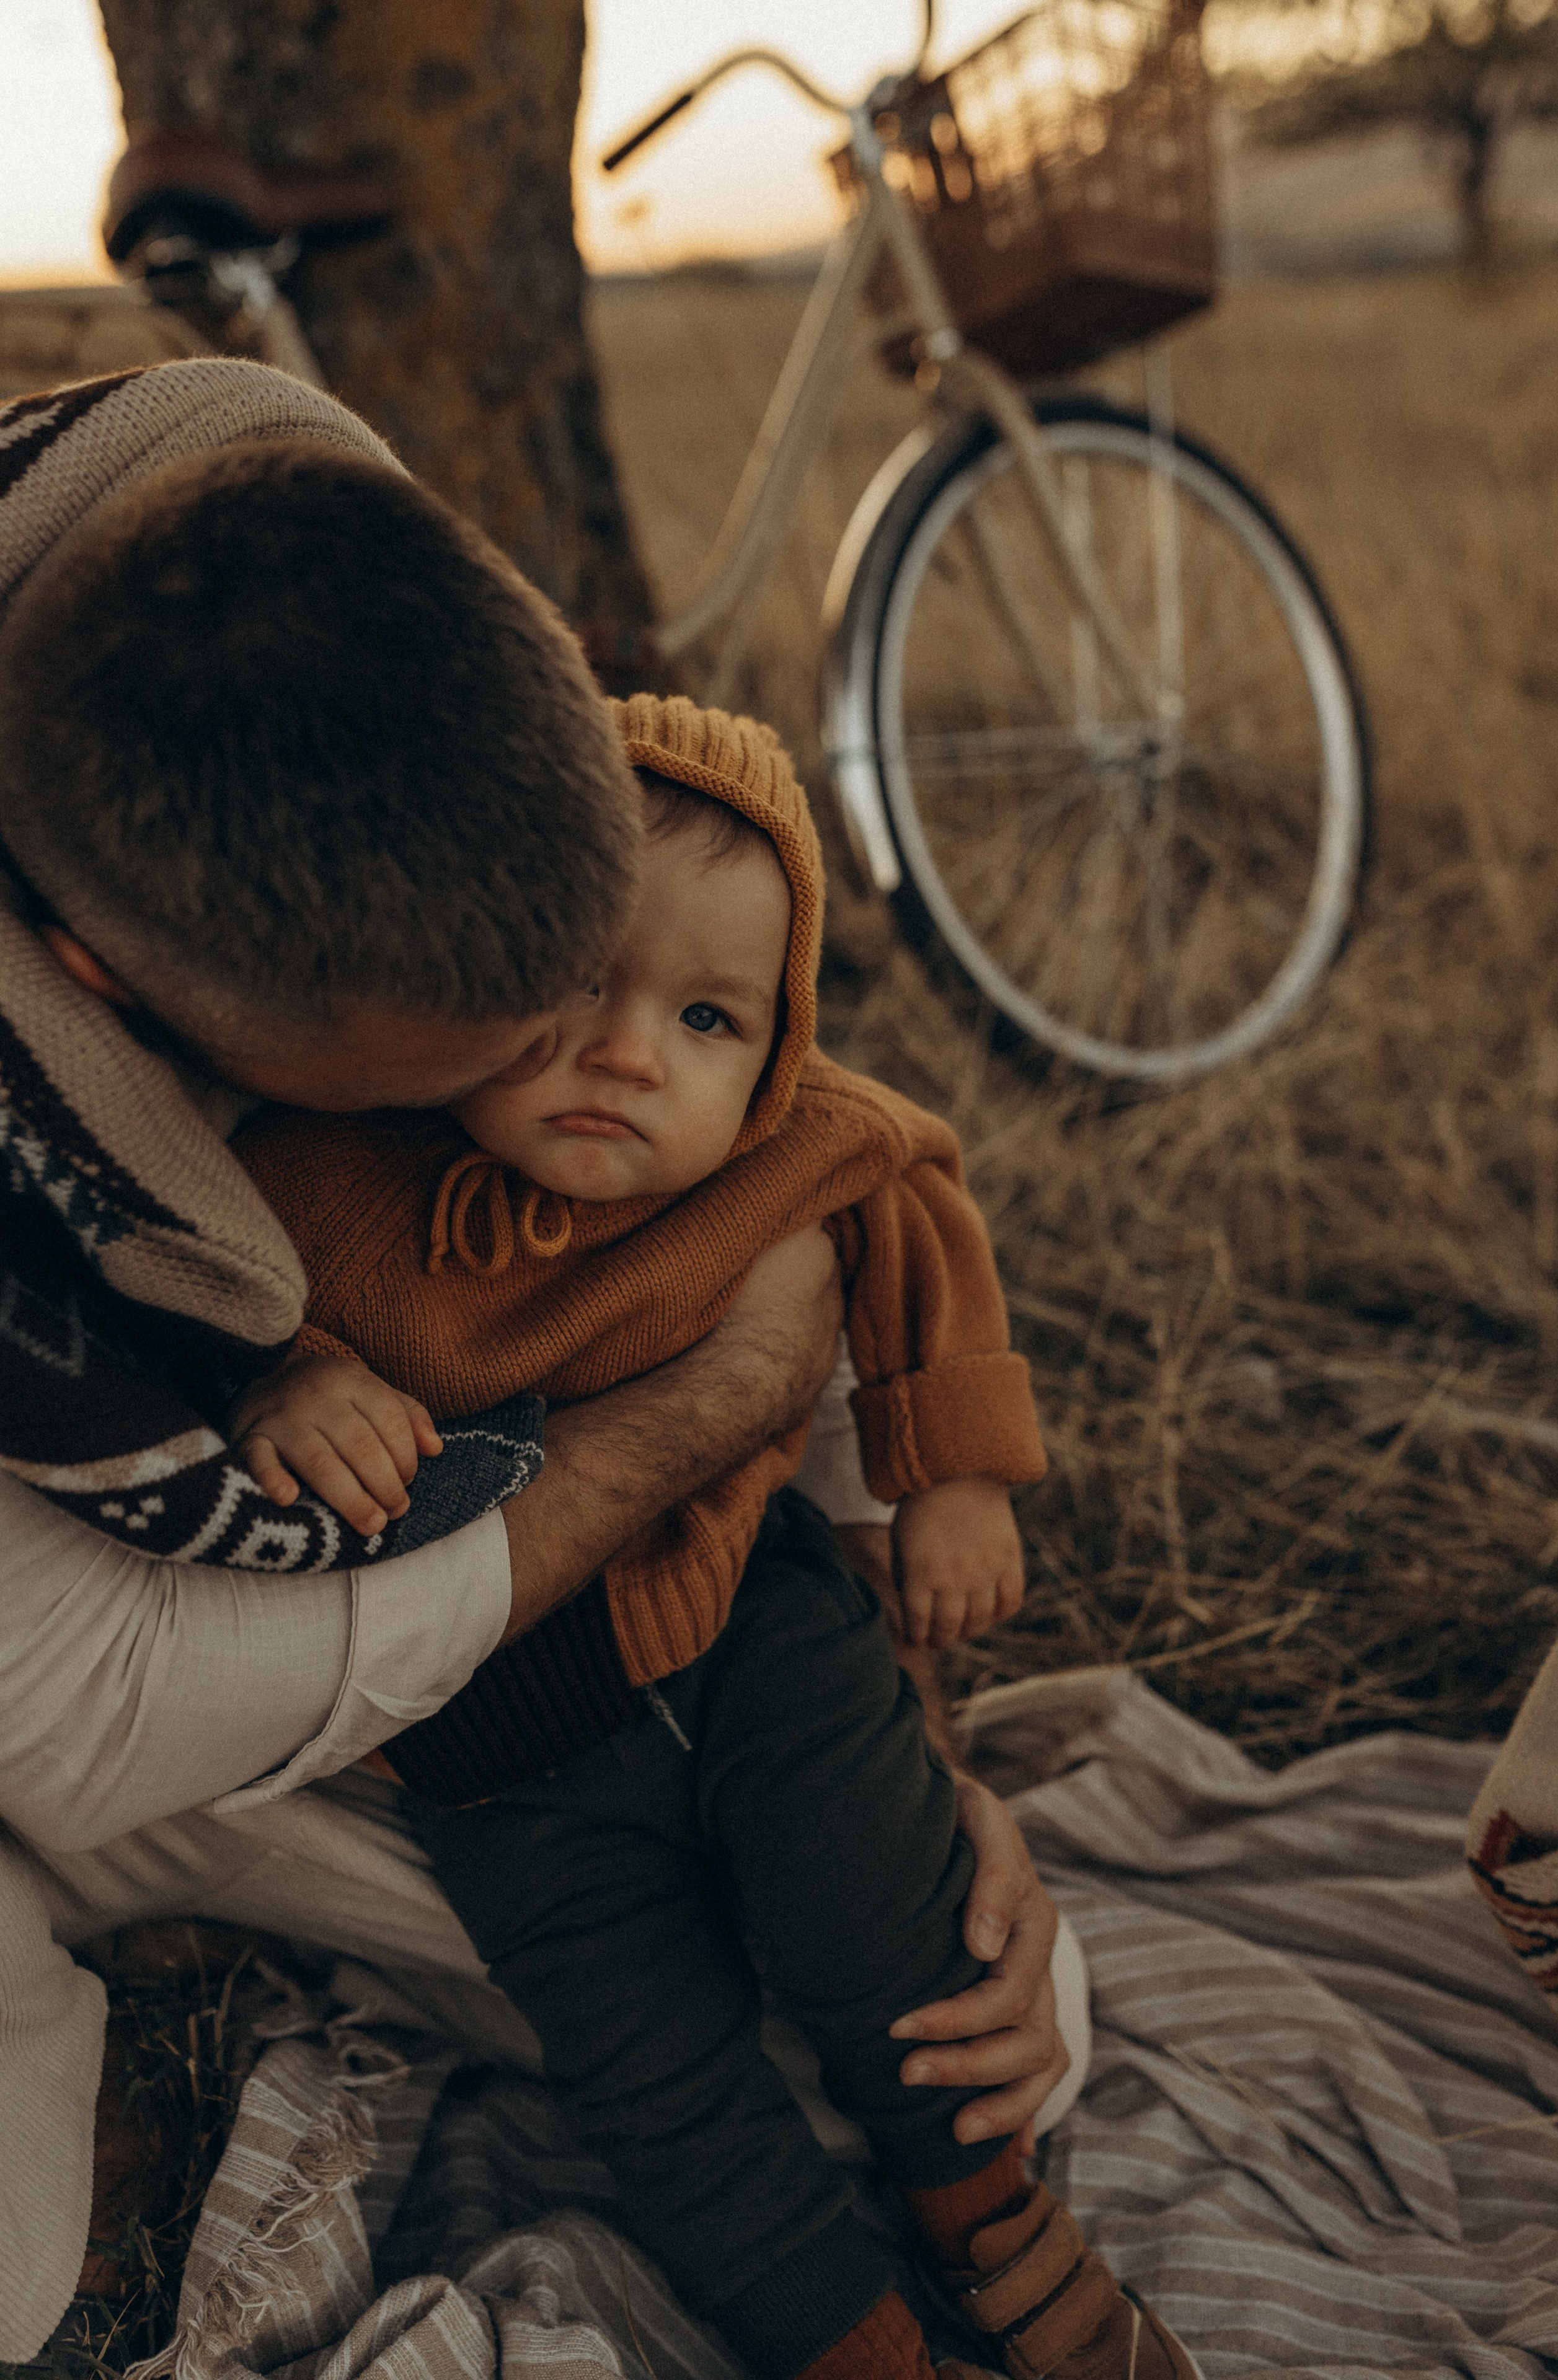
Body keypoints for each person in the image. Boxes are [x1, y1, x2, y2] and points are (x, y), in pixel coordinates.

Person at [0, 360, 1064, 2364]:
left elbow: (797, 1189)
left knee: (991, 2013)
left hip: (644, 1633)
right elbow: (77, 1708)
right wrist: (707, 1406)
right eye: (465, 1072)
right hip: (117, 1691)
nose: (585, 1079)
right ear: (111, 998)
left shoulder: (251, 515)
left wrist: (917, 1747)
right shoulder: (99, 1189)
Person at [230, 695, 1201, 2380]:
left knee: (885, 1912)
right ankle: (842, 2337)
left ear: (774, 1045)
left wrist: (952, 1477)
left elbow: (918, 1198)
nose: (630, 1054)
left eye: (704, 1016)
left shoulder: (788, 1146)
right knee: (654, 2073)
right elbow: (205, 1282)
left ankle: (986, 2209)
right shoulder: (329, 1170)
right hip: (493, 1753)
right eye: (574, 984)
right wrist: (289, 1369)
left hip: (758, 1623)